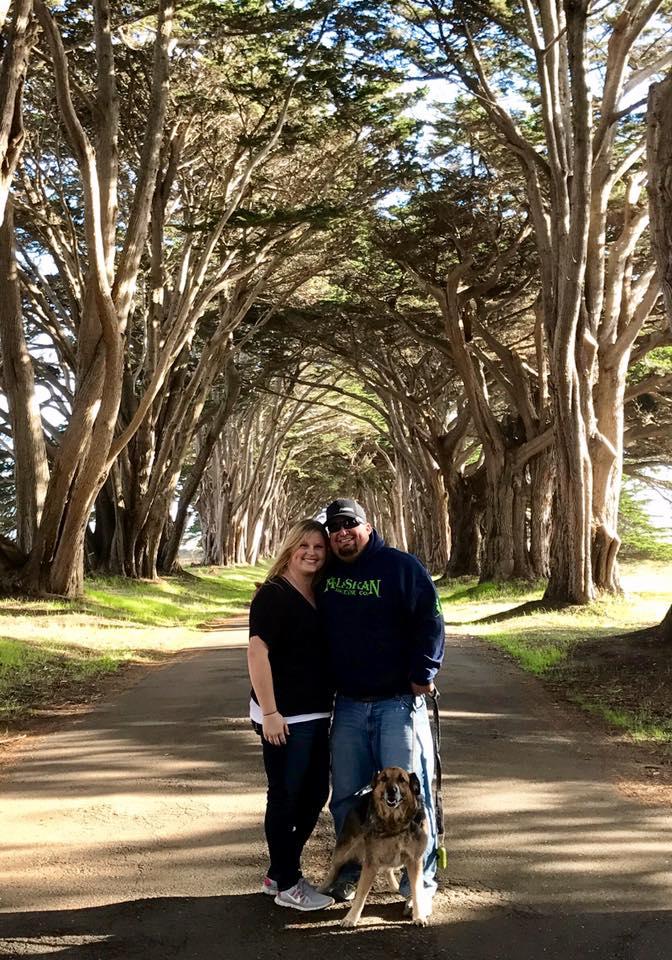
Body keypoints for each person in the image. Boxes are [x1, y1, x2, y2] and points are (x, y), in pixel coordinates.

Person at [318, 498, 445, 908]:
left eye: (349, 524)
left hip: (398, 704)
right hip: (349, 705)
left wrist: (424, 672)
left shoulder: (401, 567)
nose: (342, 533)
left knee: (409, 793)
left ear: (367, 526)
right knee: (346, 797)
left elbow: (432, 618)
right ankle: (351, 873)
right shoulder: (328, 573)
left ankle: (417, 885)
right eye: (334, 527)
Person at [247, 519, 335, 912]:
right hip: (284, 717)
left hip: (316, 712)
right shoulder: (273, 594)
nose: (312, 553)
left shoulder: (316, 591)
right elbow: (257, 652)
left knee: (315, 793)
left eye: (319, 547)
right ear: (290, 548)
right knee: (284, 797)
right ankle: (287, 883)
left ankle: (279, 871)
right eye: (305, 546)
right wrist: (270, 712)